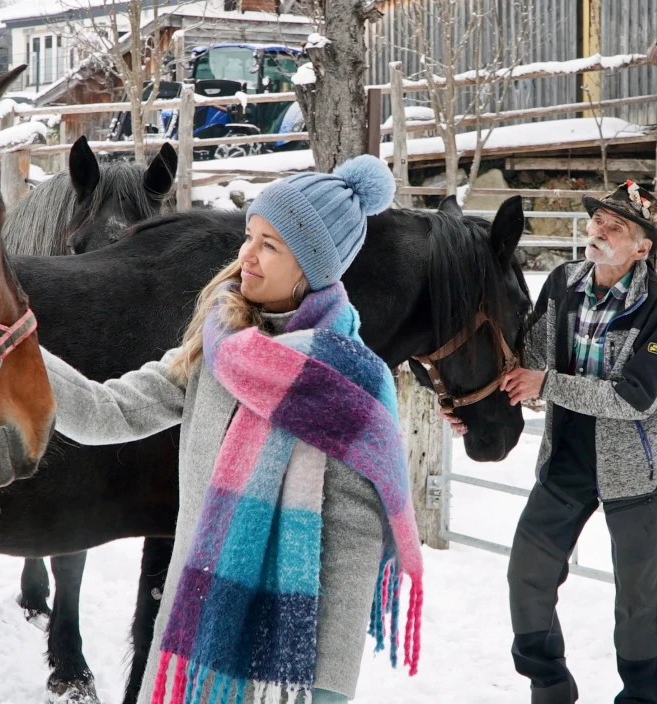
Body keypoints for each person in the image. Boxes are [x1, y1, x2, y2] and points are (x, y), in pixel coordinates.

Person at [40, 155, 423, 704]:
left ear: (312, 266)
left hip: (282, 672)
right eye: (250, 236)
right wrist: (23, 357)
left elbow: (353, 549)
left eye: (271, 245)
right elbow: (111, 411)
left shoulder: (349, 384)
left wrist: (329, 689)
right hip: (190, 640)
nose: (246, 255)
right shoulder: (219, 347)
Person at [446, 181, 657, 704]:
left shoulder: (656, 305)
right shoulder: (563, 283)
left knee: (637, 601)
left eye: (615, 226)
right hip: (566, 457)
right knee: (527, 572)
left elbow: (636, 396)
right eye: (597, 221)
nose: (599, 230)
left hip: (632, 468)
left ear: (643, 247)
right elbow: (524, 357)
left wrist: (547, 385)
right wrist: (468, 405)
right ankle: (549, 684)